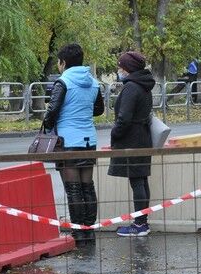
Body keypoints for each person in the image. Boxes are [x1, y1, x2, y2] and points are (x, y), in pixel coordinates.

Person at [43, 43, 104, 242]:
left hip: (67, 141)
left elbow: (52, 111)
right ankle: (89, 230)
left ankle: (78, 232)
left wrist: (48, 125)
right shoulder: (94, 83)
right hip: (89, 140)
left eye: (59, 63)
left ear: (63, 63)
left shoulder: (63, 82)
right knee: (87, 186)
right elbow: (98, 110)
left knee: (73, 189)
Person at [108, 51, 156, 237]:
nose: (119, 70)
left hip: (131, 140)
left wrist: (115, 133)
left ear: (128, 69)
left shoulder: (131, 88)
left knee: (137, 181)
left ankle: (139, 224)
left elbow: (124, 118)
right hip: (143, 138)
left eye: (121, 67)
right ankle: (142, 221)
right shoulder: (144, 86)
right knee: (141, 179)